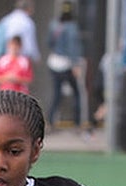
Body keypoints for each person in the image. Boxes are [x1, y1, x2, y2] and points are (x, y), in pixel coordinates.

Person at [46, 2, 83, 130]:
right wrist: (75, 65)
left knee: (57, 93)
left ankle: (50, 121)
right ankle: (77, 122)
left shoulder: (54, 24)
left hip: (53, 61)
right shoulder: (72, 26)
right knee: (77, 93)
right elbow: (73, 47)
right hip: (66, 63)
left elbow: (49, 42)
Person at [0, 0, 39, 66]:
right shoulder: (28, 22)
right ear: (28, 8)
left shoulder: (7, 19)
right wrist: (36, 57)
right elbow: (30, 44)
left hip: (7, 57)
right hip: (22, 58)